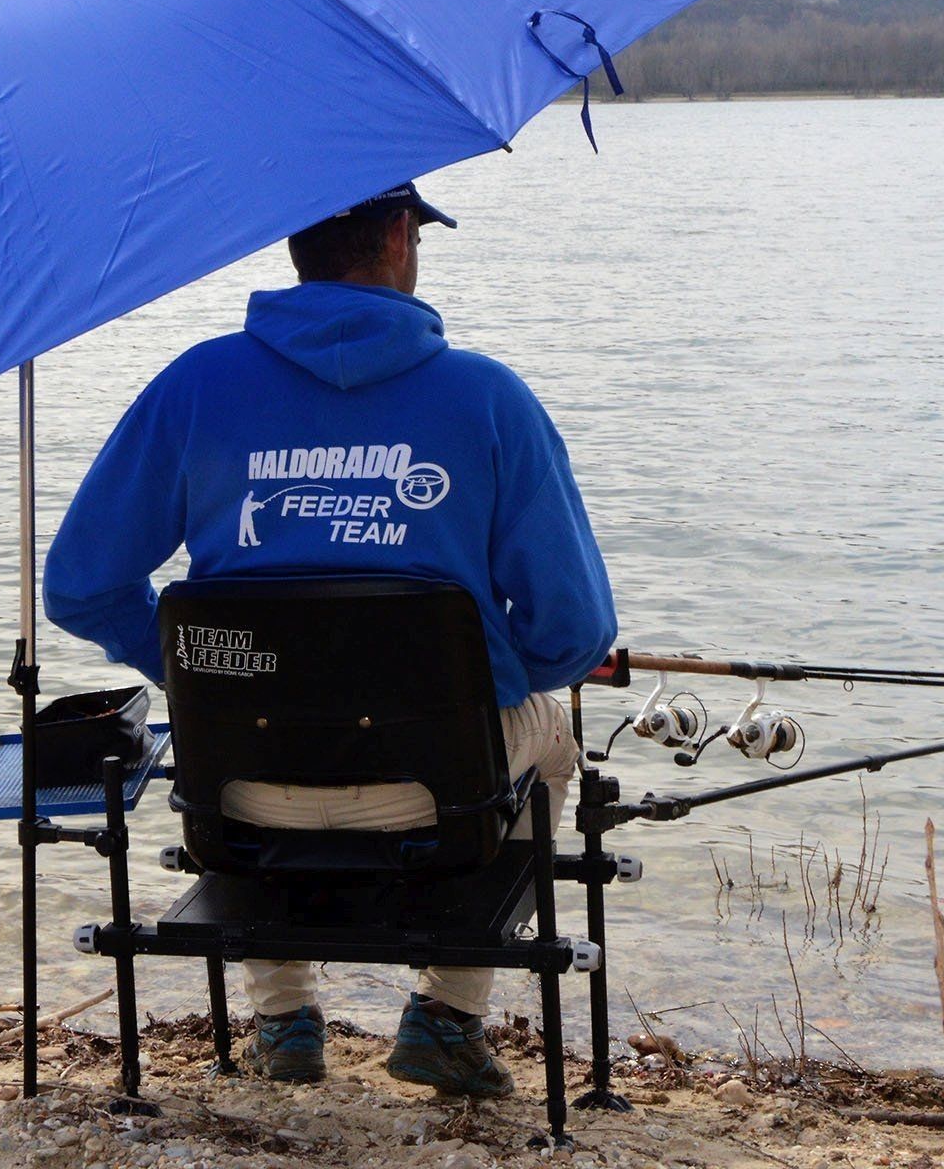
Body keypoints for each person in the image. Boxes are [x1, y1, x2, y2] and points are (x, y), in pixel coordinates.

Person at [44, 181, 616, 1097]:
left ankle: (283, 1024)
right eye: (417, 236)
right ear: (398, 236)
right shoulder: (491, 400)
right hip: (437, 797)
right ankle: (448, 1015)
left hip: (241, 796)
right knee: (552, 735)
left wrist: (205, 673)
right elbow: (578, 634)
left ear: (296, 244)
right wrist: (483, 678)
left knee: (254, 718)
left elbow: (80, 584)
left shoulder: (195, 386)